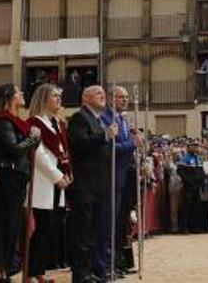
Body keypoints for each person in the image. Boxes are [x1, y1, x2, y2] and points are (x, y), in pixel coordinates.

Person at [0, 83, 41, 282]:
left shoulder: (17, 123)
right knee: (1, 230)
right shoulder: (3, 123)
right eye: (18, 92)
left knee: (11, 231)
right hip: (4, 185)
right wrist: (33, 138)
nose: (22, 93)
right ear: (9, 97)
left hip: (15, 185)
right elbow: (14, 149)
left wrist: (33, 139)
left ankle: (4, 271)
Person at [67, 85, 118, 283]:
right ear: (86, 98)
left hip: (98, 183)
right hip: (84, 183)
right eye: (98, 94)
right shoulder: (80, 117)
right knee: (82, 231)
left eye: (103, 94)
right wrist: (105, 136)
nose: (103, 96)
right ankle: (80, 274)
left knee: (92, 231)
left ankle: (88, 271)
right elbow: (79, 143)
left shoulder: (97, 119)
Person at [27, 83, 70, 283]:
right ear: (43, 98)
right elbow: (38, 153)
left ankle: (40, 271)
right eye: (54, 96)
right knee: (42, 228)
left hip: (58, 181)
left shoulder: (58, 123)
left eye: (59, 96)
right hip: (44, 180)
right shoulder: (35, 122)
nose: (59, 99)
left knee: (50, 229)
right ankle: (31, 272)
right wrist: (56, 176)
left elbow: (63, 151)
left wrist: (67, 173)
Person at [100, 86, 137, 275]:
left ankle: (118, 261)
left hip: (125, 175)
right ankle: (108, 264)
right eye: (121, 97)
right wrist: (133, 143)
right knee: (109, 223)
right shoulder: (106, 118)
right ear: (110, 98)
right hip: (111, 175)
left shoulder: (124, 119)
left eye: (126, 97)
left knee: (120, 223)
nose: (125, 100)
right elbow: (113, 147)